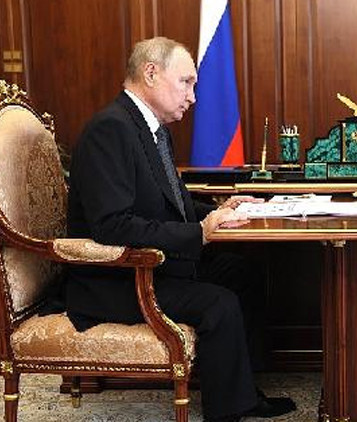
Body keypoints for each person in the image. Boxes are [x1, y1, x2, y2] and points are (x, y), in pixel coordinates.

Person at [65, 37, 295, 422]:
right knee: (219, 302)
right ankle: (227, 412)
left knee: (245, 274)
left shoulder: (152, 129)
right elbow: (111, 226)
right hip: (117, 277)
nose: (193, 97)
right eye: (186, 82)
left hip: (155, 263)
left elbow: (166, 202)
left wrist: (219, 210)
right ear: (151, 73)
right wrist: (199, 233)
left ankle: (243, 392)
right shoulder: (110, 130)